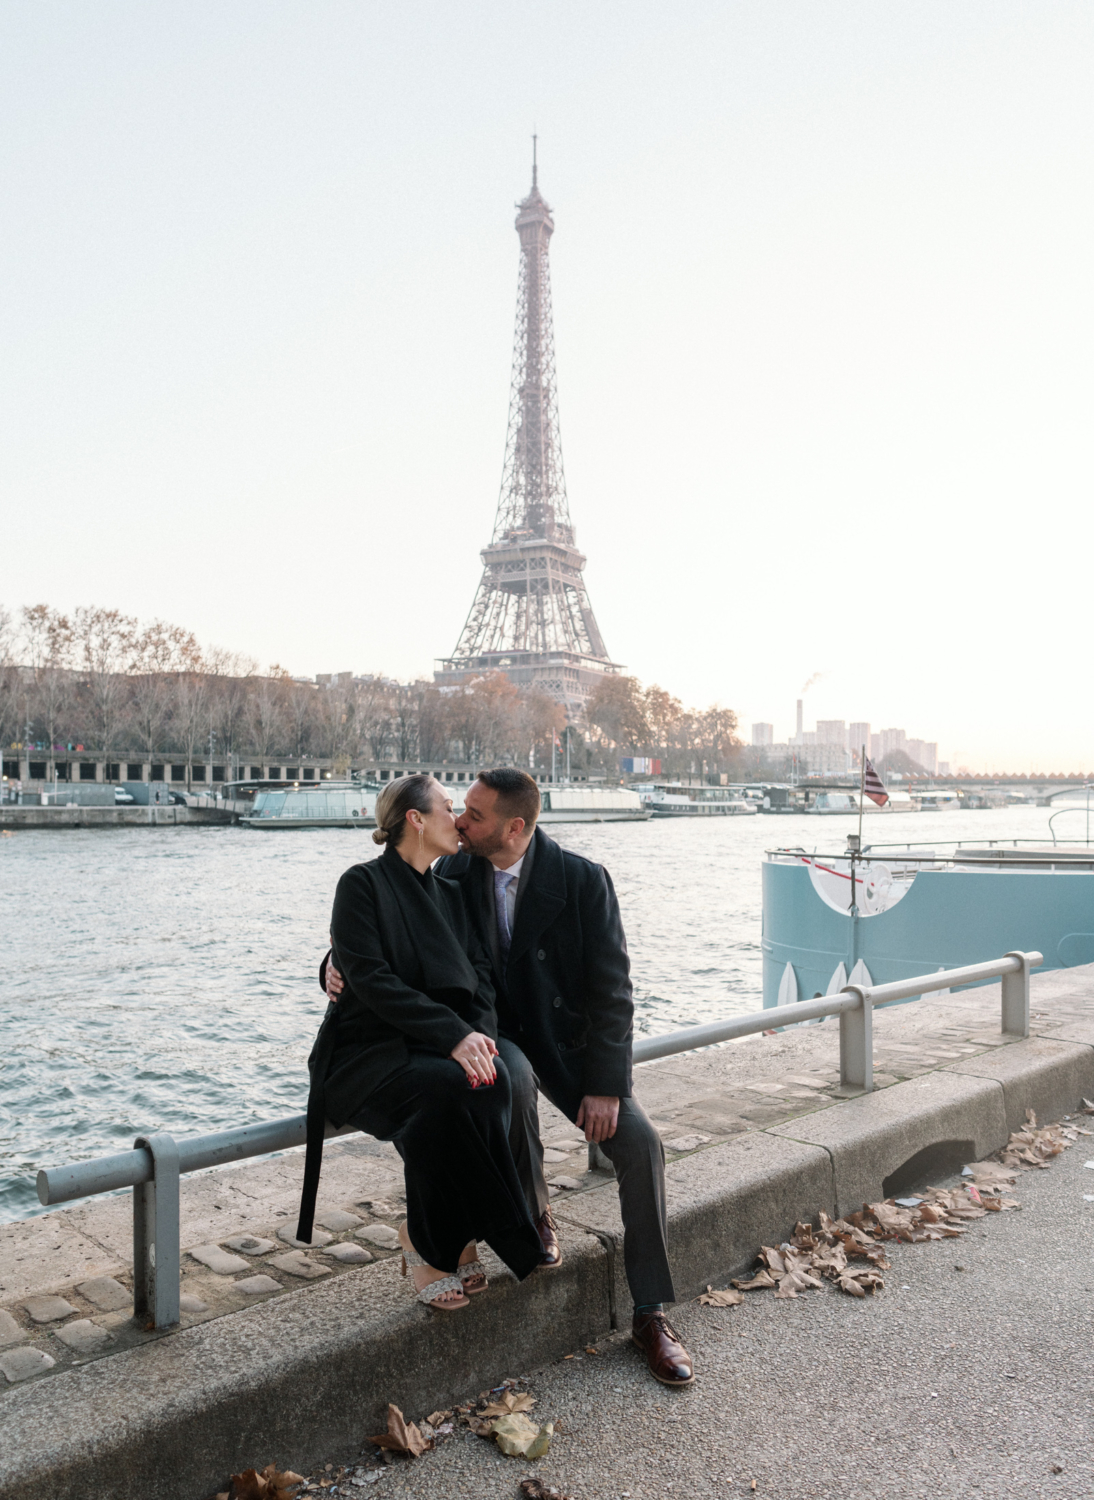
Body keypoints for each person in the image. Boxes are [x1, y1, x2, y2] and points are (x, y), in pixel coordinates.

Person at [325, 768, 694, 1385]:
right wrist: (332, 964)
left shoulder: (581, 880)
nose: (462, 821)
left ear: (515, 827)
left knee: (640, 1143)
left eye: (474, 814)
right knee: (505, 1079)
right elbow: (389, 933)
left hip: (567, 1046)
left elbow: (613, 990)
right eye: (458, 809)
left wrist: (605, 1085)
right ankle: (533, 1212)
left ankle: (651, 1314)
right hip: (491, 1035)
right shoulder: (450, 869)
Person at [297, 773, 544, 1310]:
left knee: (493, 1079)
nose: (456, 820)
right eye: (446, 808)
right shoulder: (360, 885)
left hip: (431, 1047)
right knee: (444, 1093)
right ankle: (438, 1245)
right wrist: (454, 1037)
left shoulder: (455, 893)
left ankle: (442, 1235)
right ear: (415, 819)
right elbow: (372, 979)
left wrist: (478, 1038)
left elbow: (481, 979)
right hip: (366, 1054)